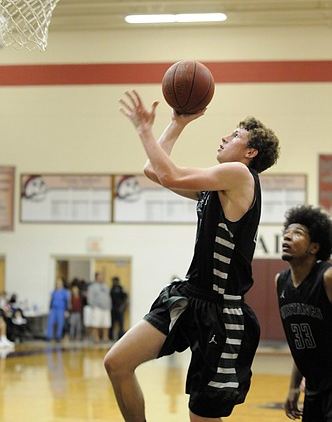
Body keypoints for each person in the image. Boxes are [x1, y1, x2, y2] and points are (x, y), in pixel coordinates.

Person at [104, 89, 280, 422]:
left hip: (221, 311)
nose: (224, 137)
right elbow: (154, 170)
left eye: (235, 136)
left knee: (200, 417)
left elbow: (169, 173)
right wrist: (175, 123)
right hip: (190, 297)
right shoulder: (217, 186)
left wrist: (144, 129)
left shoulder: (241, 176)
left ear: (251, 152)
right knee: (117, 363)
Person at [276, 205, 332, 422]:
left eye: (297, 233)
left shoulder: (326, 278)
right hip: (313, 387)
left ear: (314, 247)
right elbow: (301, 346)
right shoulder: (280, 282)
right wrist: (293, 387)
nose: (288, 236)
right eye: (287, 232)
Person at [87, 272, 111, 343]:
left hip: (106, 308)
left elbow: (108, 296)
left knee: (106, 323)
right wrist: (93, 306)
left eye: (102, 276)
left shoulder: (106, 286)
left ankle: (105, 337)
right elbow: (90, 298)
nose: (101, 278)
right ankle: (96, 338)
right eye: (100, 277)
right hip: (97, 308)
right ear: (96, 277)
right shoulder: (92, 287)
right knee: (96, 323)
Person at [45, 277, 70, 342]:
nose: (58, 284)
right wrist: (50, 308)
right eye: (57, 283)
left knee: (60, 323)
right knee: (50, 322)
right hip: (53, 309)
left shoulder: (65, 292)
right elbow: (51, 301)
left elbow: (67, 302)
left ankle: (58, 336)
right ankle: (48, 336)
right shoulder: (54, 292)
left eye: (59, 283)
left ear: (62, 283)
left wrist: (66, 310)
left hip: (61, 309)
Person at [110, 277, 128, 341]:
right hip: (113, 309)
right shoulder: (111, 289)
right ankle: (111, 337)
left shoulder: (121, 288)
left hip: (120, 309)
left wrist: (123, 306)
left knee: (121, 325)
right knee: (112, 324)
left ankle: (120, 337)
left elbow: (125, 298)